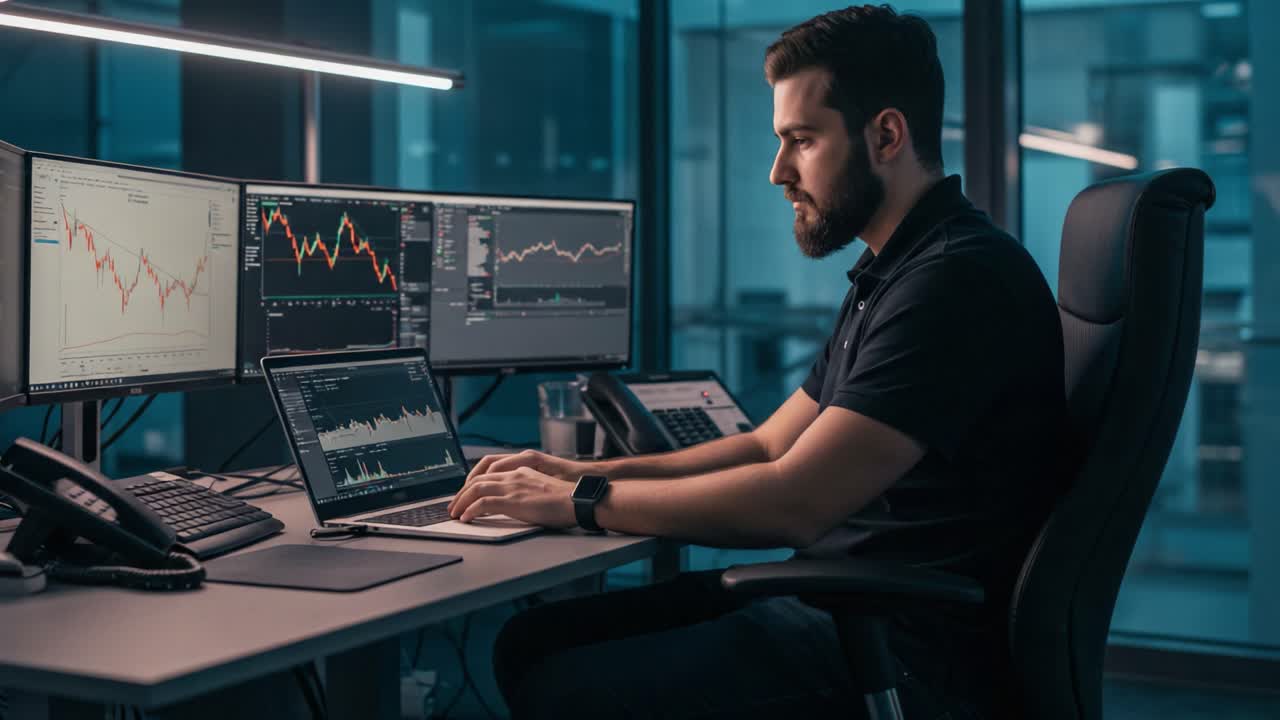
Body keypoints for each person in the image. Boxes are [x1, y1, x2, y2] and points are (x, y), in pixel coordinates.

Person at [448, 4, 1065, 718]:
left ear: (886, 134)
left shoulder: (954, 281)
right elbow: (770, 444)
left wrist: (579, 504)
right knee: (533, 640)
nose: (777, 172)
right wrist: (579, 473)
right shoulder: (896, 272)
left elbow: (794, 501)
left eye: (801, 140)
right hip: (845, 603)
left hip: (904, 648)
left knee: (566, 684)